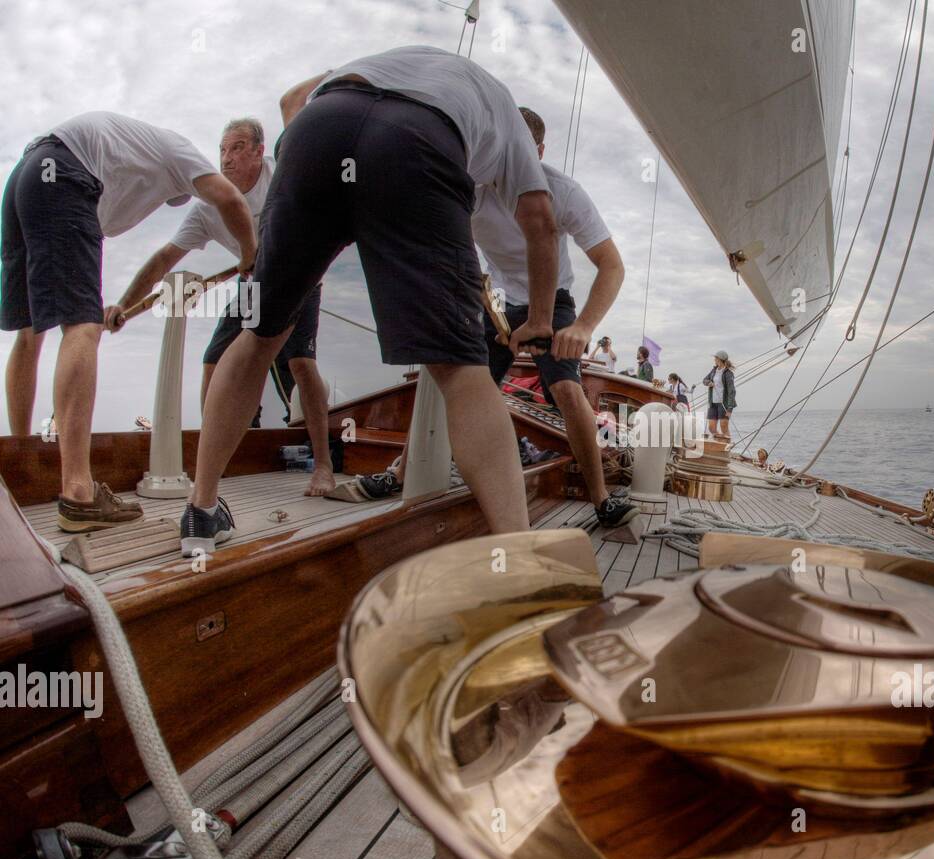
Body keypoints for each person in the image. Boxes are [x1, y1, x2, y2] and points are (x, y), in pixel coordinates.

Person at [179, 46, 560, 555]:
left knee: (259, 333)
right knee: (462, 366)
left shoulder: (394, 58)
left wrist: (325, 199)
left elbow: (293, 99)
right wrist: (537, 317)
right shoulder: (504, 110)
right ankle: (518, 554)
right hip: (419, 141)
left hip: (319, 126)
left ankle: (201, 511)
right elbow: (539, 218)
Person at [356, 108, 637, 530]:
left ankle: (600, 498)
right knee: (454, 378)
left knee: (565, 387)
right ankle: (401, 473)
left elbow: (611, 265)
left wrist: (582, 327)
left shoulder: (563, 192)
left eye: (520, 148)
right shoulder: (471, 189)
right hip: (497, 300)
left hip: (553, 298)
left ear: (538, 151)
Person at [2, 111, 256, 532]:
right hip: (65, 172)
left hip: (26, 177)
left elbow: (159, 261)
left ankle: (17, 469)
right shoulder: (181, 152)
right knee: (81, 326)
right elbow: (229, 199)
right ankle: (79, 493)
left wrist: (121, 305)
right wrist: (249, 255)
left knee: (30, 331)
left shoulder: (135, 157)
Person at [112, 116, 335, 496]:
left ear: (258, 152)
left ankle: (324, 466)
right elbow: (166, 257)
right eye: (222, 150)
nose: (226, 159)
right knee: (215, 361)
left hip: (301, 279)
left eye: (236, 148)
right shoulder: (207, 208)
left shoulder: (282, 176)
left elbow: (324, 212)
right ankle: (213, 463)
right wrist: (123, 304)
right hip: (251, 287)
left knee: (300, 363)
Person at [702, 350, 736, 440]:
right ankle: (720, 442)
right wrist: (709, 382)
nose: (714, 360)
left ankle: (726, 446)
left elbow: (732, 391)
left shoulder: (728, 374)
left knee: (724, 427)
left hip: (723, 403)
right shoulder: (714, 371)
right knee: (711, 428)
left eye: (715, 358)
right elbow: (704, 380)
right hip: (713, 403)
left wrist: (730, 409)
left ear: (720, 359)